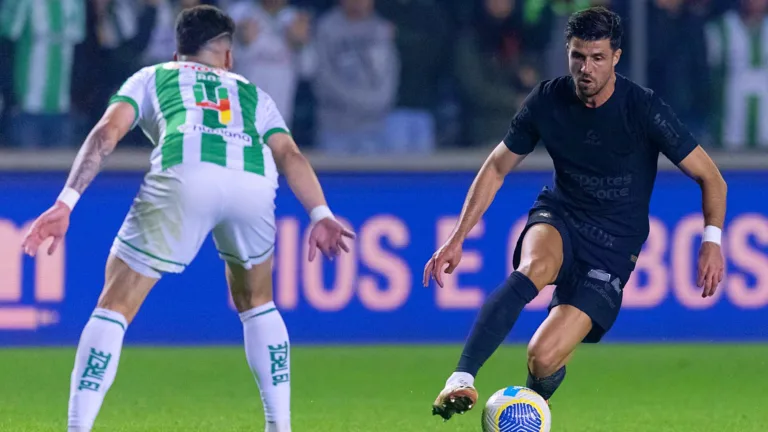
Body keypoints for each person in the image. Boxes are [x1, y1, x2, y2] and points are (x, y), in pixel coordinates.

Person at [21, 6, 353, 432]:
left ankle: (77, 427)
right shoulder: (253, 93)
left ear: (178, 54)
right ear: (228, 57)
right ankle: (280, 426)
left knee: (115, 305)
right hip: (252, 181)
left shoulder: (152, 76)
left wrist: (65, 201)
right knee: (257, 303)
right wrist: (320, 213)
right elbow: (290, 154)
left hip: (186, 172)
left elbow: (106, 133)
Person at [424, 6, 727, 421]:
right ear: (567, 53)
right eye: (578, 57)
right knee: (534, 266)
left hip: (612, 249)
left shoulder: (643, 108)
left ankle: (532, 406)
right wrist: (457, 237)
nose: (586, 68)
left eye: (598, 57)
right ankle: (461, 378)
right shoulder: (548, 100)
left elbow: (713, 178)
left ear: (616, 57)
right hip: (561, 216)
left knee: (542, 358)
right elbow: (496, 166)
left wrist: (712, 243)